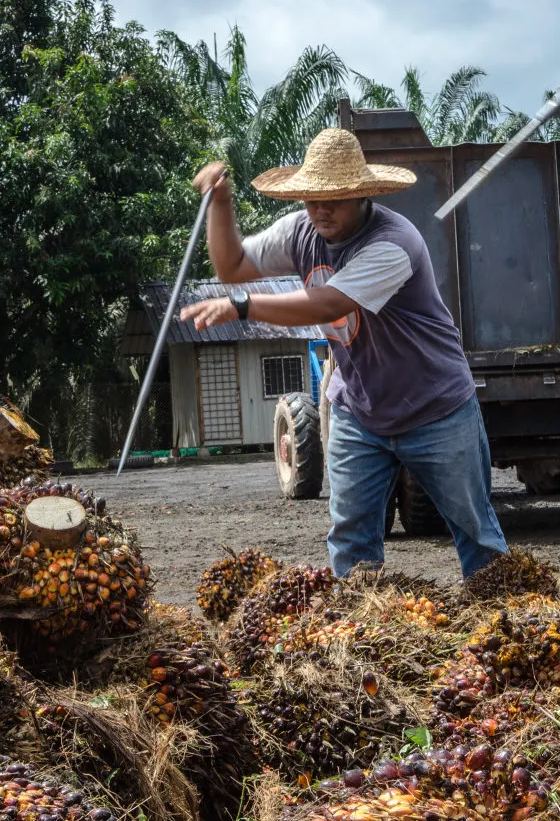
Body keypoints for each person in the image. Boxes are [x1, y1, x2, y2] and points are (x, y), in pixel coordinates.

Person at [179, 127, 509, 579]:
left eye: (333, 198)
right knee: (350, 540)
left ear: (361, 196)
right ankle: (355, 638)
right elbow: (232, 265)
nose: (320, 208)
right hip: (360, 411)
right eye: (312, 197)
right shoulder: (300, 230)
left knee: (476, 534)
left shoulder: (394, 242)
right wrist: (220, 205)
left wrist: (241, 308)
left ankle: (507, 626)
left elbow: (329, 302)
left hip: (436, 410)